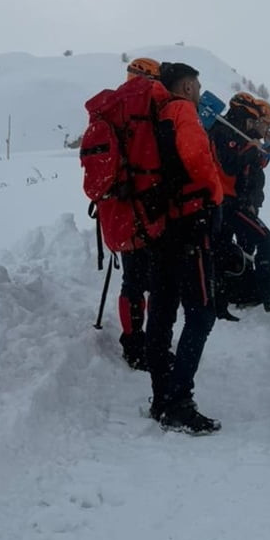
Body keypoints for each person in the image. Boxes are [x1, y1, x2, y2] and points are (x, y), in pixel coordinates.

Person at [143, 62, 225, 434]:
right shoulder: (182, 111)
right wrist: (215, 194)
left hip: (161, 227)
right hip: (191, 225)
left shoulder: (155, 115)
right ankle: (178, 401)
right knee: (202, 312)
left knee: (161, 310)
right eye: (197, 83)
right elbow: (196, 157)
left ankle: (162, 396)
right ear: (188, 85)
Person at [210, 93, 270, 312]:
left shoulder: (239, 135)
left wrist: (262, 147)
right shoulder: (225, 132)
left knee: (228, 248)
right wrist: (253, 147)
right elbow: (230, 165)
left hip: (235, 202)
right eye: (263, 122)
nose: (264, 127)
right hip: (227, 204)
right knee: (264, 240)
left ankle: (238, 291)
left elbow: (253, 165)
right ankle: (267, 291)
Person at [116, 57, 162, 371]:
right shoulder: (152, 102)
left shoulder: (113, 104)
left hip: (119, 203)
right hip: (150, 201)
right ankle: (140, 345)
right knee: (152, 277)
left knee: (132, 278)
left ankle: (132, 340)